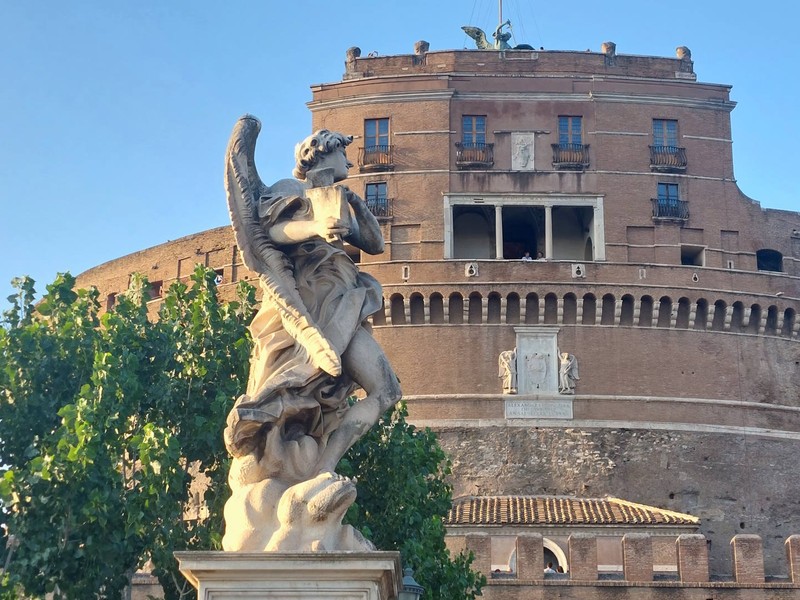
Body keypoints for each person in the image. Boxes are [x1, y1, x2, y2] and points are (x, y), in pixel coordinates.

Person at [224, 118, 402, 487]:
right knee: (291, 386)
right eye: (343, 153)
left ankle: (324, 469)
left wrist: (355, 203)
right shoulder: (291, 189)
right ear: (321, 152)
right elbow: (271, 232)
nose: (349, 162)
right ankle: (281, 456)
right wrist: (315, 227)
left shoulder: (336, 199)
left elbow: (375, 244)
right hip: (309, 301)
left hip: (345, 301)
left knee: (387, 391)